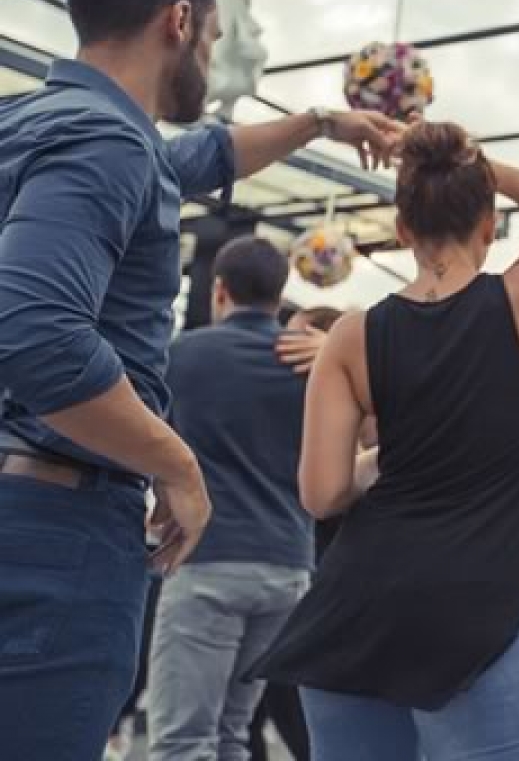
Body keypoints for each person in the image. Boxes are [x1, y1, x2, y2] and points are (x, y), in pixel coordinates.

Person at [0, 0, 402, 761]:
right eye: (214, 38)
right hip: (53, 535)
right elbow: (36, 334)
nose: (213, 63)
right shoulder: (108, 143)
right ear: (178, 21)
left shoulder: (45, 126)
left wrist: (321, 125)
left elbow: (201, 158)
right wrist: (174, 463)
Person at [248, 119, 519, 760]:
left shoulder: (350, 336)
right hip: (474, 618)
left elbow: (321, 494)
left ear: (402, 231)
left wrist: (386, 458)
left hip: (353, 618)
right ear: (489, 224)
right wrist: (475, 164)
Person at [147, 236, 318, 760]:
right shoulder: (311, 366)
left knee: (182, 739)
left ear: (219, 290)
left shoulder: (181, 356)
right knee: (231, 731)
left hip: (207, 564)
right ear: (280, 293)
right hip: (288, 568)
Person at [247, 304, 344, 761]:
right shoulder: (284, 409)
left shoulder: (354, 404)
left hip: (332, 585)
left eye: (294, 344)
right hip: (295, 571)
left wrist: (339, 361)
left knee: (293, 707)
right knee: (256, 709)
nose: (280, 355)